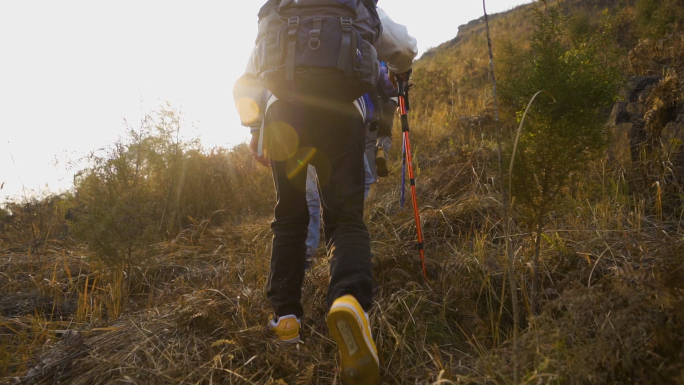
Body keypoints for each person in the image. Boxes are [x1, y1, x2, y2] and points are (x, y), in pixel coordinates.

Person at [233, 3, 416, 383]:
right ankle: (348, 300)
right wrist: (401, 74)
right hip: (341, 113)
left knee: (290, 216)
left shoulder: (280, 8)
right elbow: (402, 48)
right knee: (346, 217)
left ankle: (285, 319)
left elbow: (250, 74)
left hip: (283, 114)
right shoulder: (357, 5)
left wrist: (254, 128)